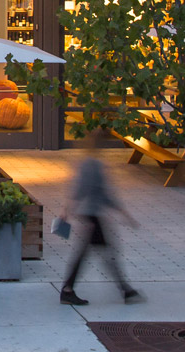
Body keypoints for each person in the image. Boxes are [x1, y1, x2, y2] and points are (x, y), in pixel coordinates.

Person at [59, 130, 141, 306]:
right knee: (104, 253)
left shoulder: (86, 162)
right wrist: (123, 212)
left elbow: (81, 189)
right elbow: (96, 192)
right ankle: (124, 290)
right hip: (92, 215)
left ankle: (124, 289)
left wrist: (68, 209)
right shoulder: (93, 164)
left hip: (89, 214)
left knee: (94, 253)